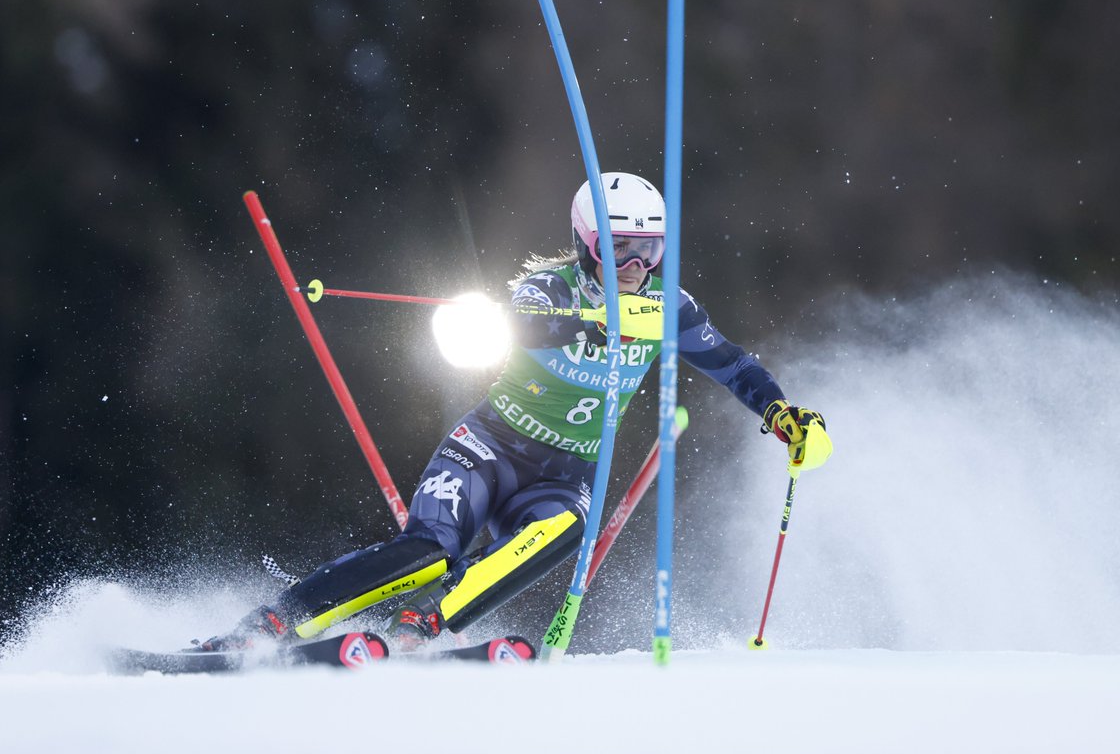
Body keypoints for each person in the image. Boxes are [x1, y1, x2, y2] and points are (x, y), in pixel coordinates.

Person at [195, 171, 827, 652]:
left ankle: (425, 620)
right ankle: (276, 619)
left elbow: (732, 364)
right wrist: (586, 322)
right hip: (489, 448)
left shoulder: (670, 308)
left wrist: (782, 414)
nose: (636, 267)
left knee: (564, 529)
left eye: (651, 251)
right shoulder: (549, 288)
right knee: (429, 549)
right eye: (621, 249)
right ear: (586, 244)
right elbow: (515, 321)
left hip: (564, 473)